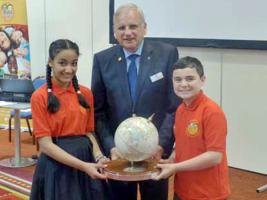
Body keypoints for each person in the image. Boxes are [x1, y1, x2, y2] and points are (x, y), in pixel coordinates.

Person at [91, 3, 180, 200]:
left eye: (133, 26)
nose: (127, 32)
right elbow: (98, 112)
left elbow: (174, 107)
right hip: (119, 156)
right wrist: (111, 146)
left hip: (155, 155)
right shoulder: (101, 60)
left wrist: (161, 146)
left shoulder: (167, 54)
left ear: (144, 27)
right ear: (114, 31)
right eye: (121, 28)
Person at [30, 39, 108, 200]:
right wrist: (84, 166)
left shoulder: (86, 94)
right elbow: (45, 145)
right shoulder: (39, 97)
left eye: (74, 63)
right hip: (57, 164)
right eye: (62, 63)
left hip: (86, 158)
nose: (69, 69)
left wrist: (99, 156)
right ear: (51, 62)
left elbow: (88, 132)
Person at [153, 56, 231, 200]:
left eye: (190, 79)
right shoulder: (180, 110)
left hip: (208, 194)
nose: (183, 84)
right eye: (178, 80)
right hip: (182, 190)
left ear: (202, 80)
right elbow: (183, 146)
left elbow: (214, 157)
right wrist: (171, 160)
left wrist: (175, 168)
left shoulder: (212, 111)